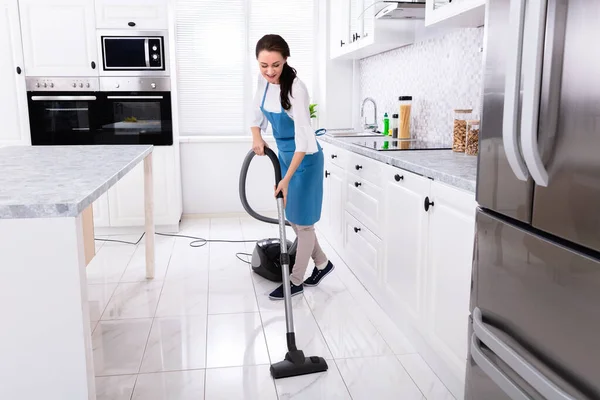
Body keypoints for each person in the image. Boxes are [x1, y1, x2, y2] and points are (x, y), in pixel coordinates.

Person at [250, 34, 334, 300]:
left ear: (285, 60)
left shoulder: (297, 88)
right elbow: (255, 114)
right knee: (296, 221)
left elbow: (303, 141)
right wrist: (257, 137)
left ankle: (295, 281)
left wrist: (285, 180)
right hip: (286, 156)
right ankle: (323, 264)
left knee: (303, 223)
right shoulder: (263, 83)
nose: (270, 71)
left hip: (305, 159)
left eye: (275, 65)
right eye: (264, 65)